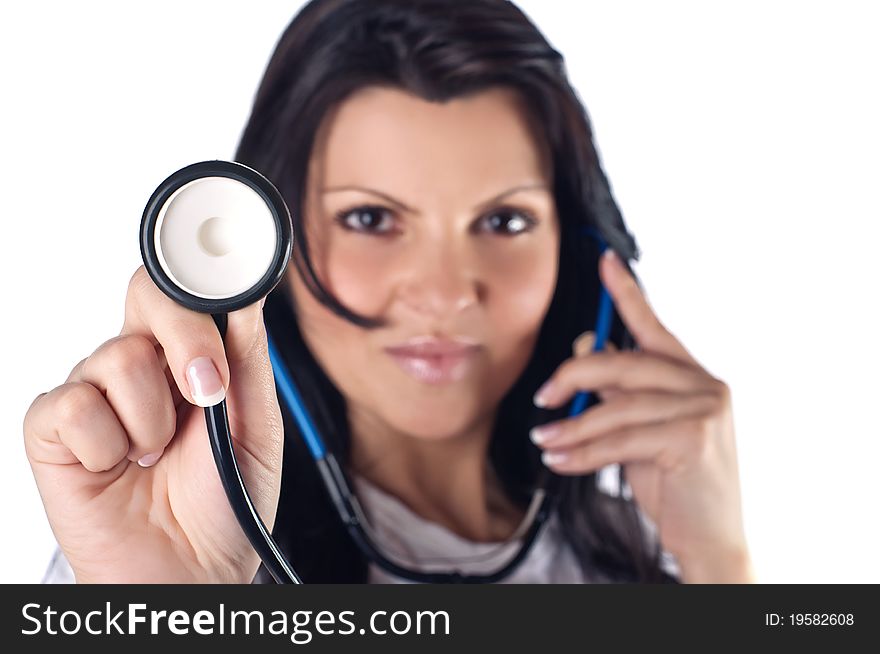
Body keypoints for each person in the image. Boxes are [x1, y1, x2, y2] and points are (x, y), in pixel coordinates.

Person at [25, 0, 754, 584]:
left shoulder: (654, 555)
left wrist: (720, 564)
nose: (443, 295)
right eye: (370, 218)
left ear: (585, 251)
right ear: (265, 251)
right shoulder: (169, 542)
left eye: (504, 220)